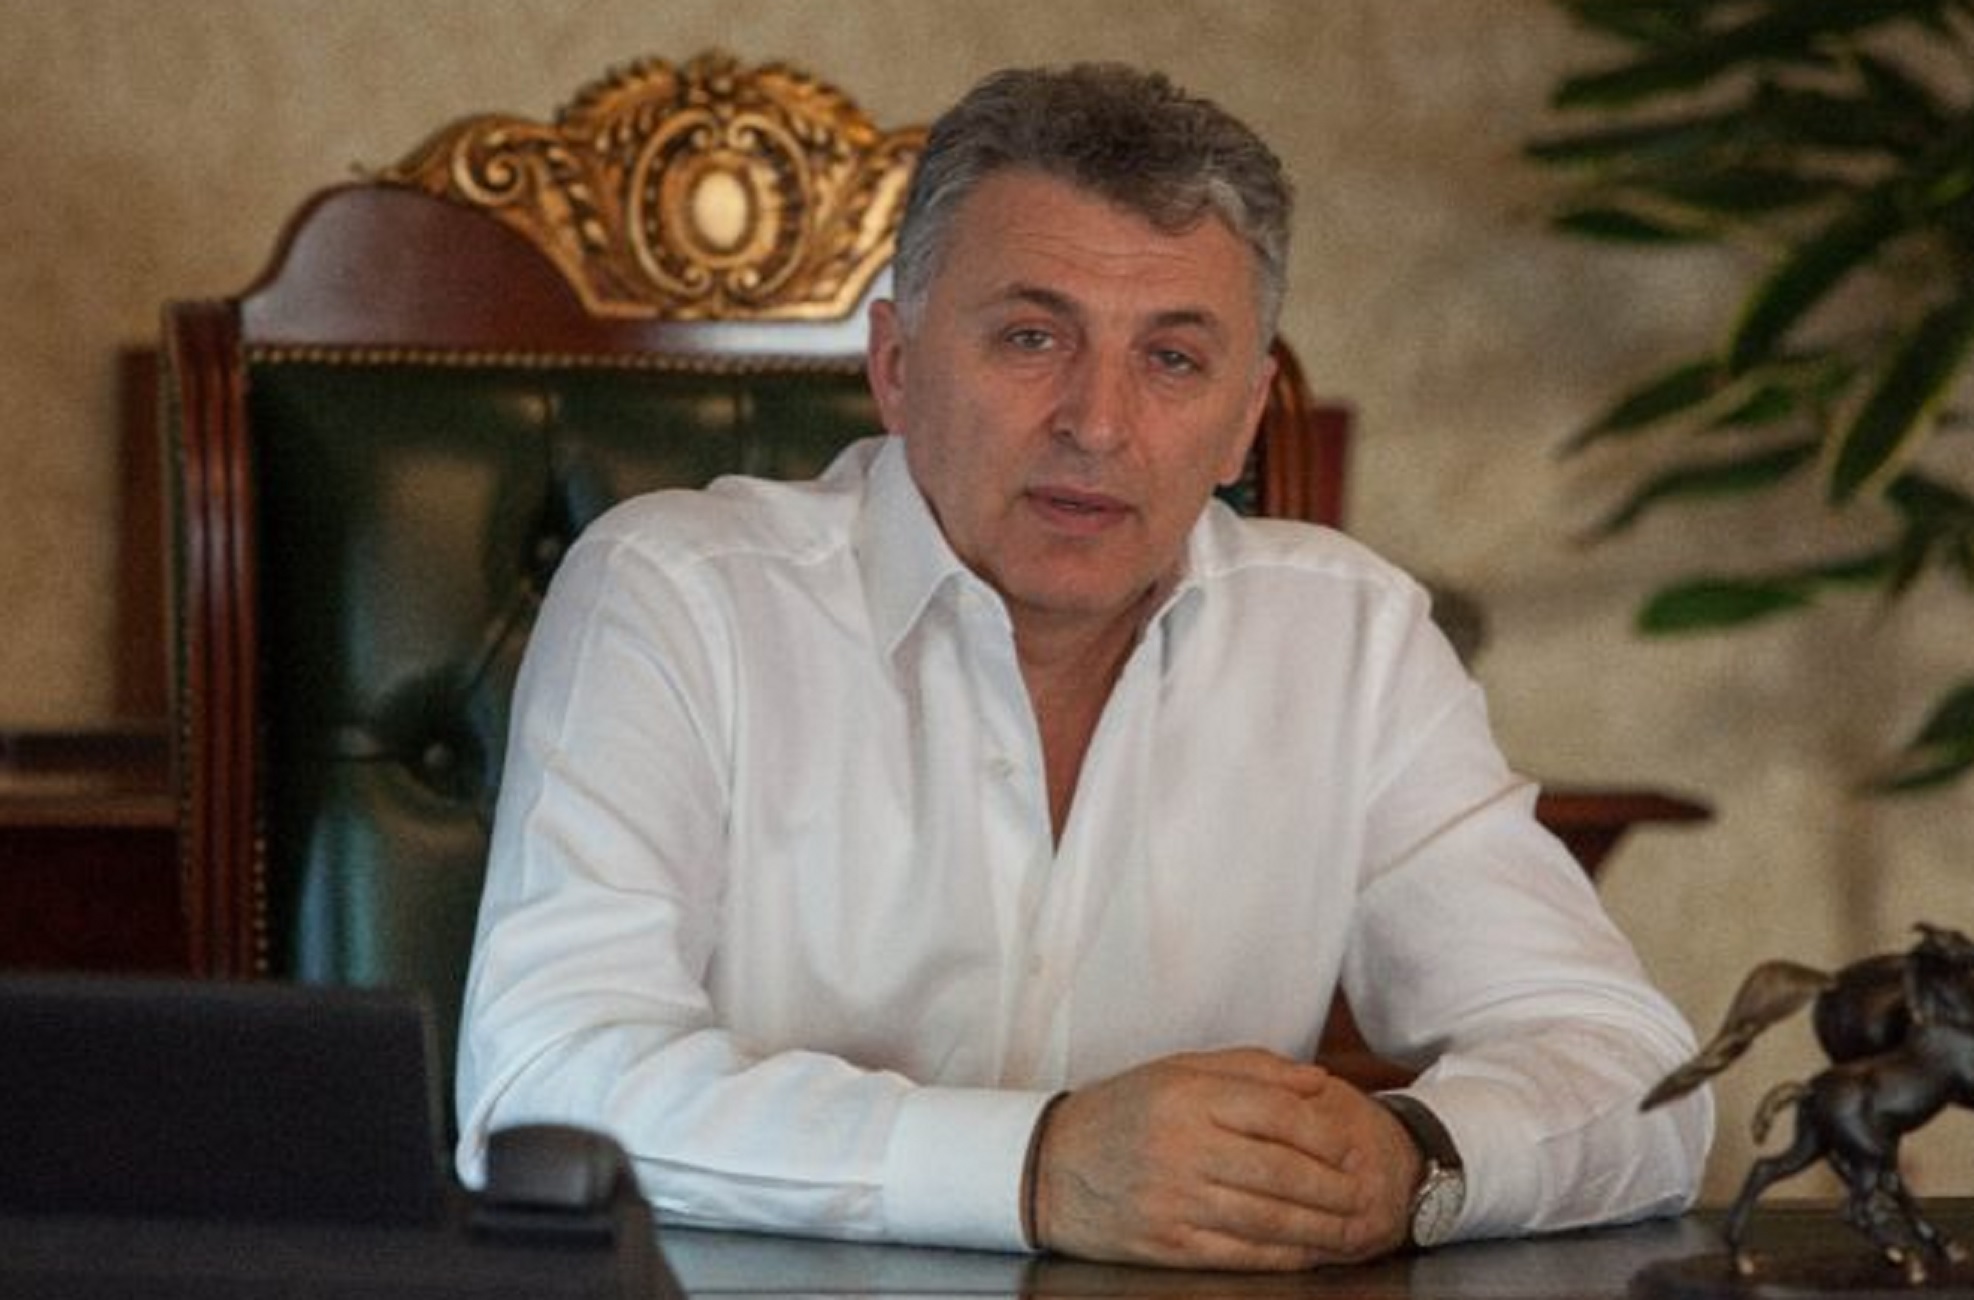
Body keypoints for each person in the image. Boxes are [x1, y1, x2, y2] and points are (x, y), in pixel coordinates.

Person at [454, 62, 1712, 1271]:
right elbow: (543, 1085)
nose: (1098, 423)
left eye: (1172, 359)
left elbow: (1640, 1076)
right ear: (896, 366)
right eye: (1030, 337)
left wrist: (1417, 1162)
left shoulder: (1352, 639)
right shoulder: (675, 596)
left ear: (1243, 418)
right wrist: (1039, 1166)